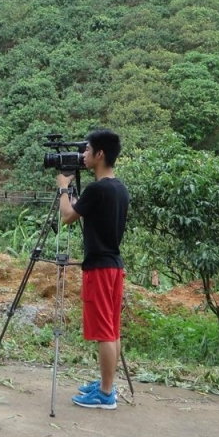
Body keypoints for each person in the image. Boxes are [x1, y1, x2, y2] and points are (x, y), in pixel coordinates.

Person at [56, 129, 129, 410]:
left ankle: (106, 394)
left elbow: (67, 216)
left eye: (87, 150)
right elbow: (82, 210)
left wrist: (63, 187)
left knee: (104, 332)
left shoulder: (97, 189)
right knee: (112, 330)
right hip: (114, 266)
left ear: (100, 155)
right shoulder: (118, 188)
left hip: (99, 268)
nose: (83, 155)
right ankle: (105, 384)